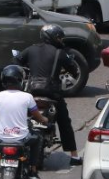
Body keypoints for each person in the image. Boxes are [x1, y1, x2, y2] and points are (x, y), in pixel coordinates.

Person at [15, 24, 82, 166]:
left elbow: (17, 61)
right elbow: (74, 70)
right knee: (64, 121)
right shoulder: (60, 53)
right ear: (52, 37)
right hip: (51, 92)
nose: (60, 40)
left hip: (32, 91)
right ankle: (74, 156)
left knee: (20, 117)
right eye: (58, 37)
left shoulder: (31, 49)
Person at [0, 64, 48, 179]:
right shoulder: (27, 97)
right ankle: (33, 170)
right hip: (22, 138)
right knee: (38, 137)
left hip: (2, 138)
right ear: (20, 80)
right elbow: (37, 116)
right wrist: (44, 120)